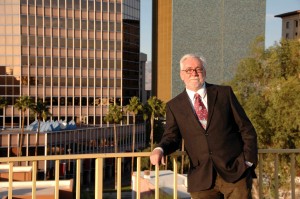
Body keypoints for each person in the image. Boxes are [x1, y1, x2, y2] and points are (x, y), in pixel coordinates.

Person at [150, 54, 258, 199]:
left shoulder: (224, 93)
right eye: (188, 70)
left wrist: (248, 161)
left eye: (198, 69)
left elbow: (246, 129)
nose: (194, 73)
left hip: (235, 172)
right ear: (182, 75)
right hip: (201, 178)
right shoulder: (174, 106)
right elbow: (172, 137)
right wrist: (160, 149)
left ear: (204, 72)